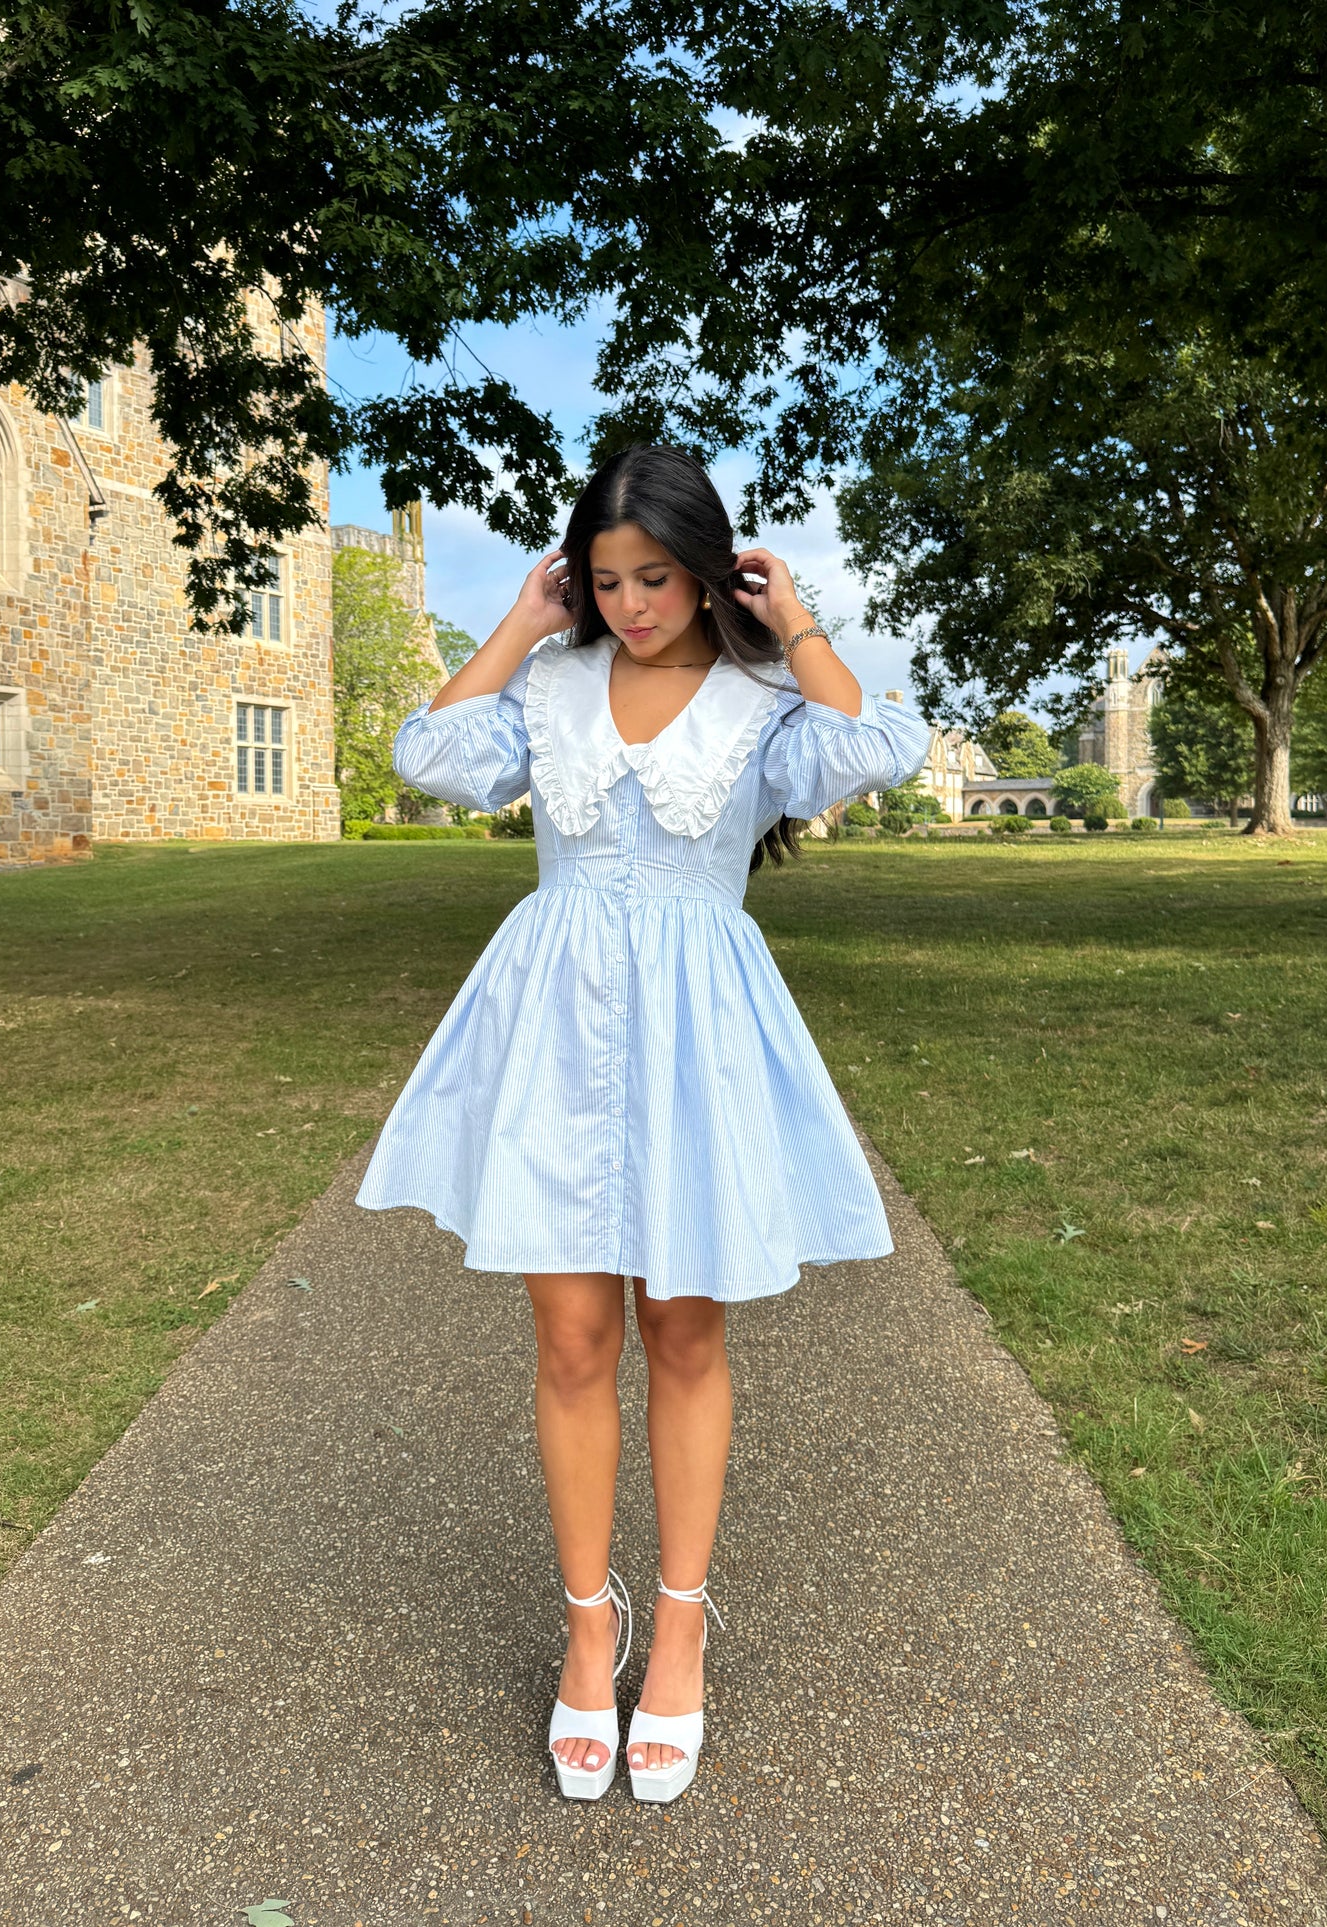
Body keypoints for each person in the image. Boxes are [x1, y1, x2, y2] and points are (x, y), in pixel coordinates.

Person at [355, 444, 930, 1804]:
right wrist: (519, 620)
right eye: (605, 580)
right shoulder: (547, 688)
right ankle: (586, 1626)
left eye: (654, 578)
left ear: (705, 565)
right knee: (569, 1334)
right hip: (553, 1029)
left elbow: (874, 748)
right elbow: (428, 753)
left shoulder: (758, 698)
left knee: (682, 1325)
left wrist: (790, 621)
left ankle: (679, 1629)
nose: (630, 605)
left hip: (698, 1033)